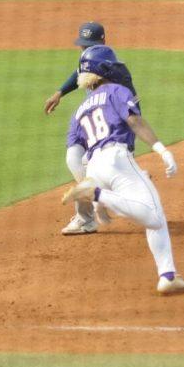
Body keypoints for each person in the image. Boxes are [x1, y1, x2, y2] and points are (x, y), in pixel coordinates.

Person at [62, 45, 184, 296]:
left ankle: (168, 275)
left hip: (95, 166)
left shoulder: (78, 111)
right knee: (154, 216)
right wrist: (162, 150)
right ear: (104, 69)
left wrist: (86, 179)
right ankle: (97, 194)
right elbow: (134, 121)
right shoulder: (117, 90)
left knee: (153, 217)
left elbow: (72, 156)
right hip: (117, 160)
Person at [45, 22, 138, 236]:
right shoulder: (87, 59)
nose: (85, 50)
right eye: (83, 45)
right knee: (73, 160)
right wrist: (59, 93)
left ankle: (87, 217)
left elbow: (131, 109)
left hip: (107, 127)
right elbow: (77, 72)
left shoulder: (116, 70)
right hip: (86, 118)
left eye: (90, 45)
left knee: (90, 166)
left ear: (103, 41)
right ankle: (105, 195)